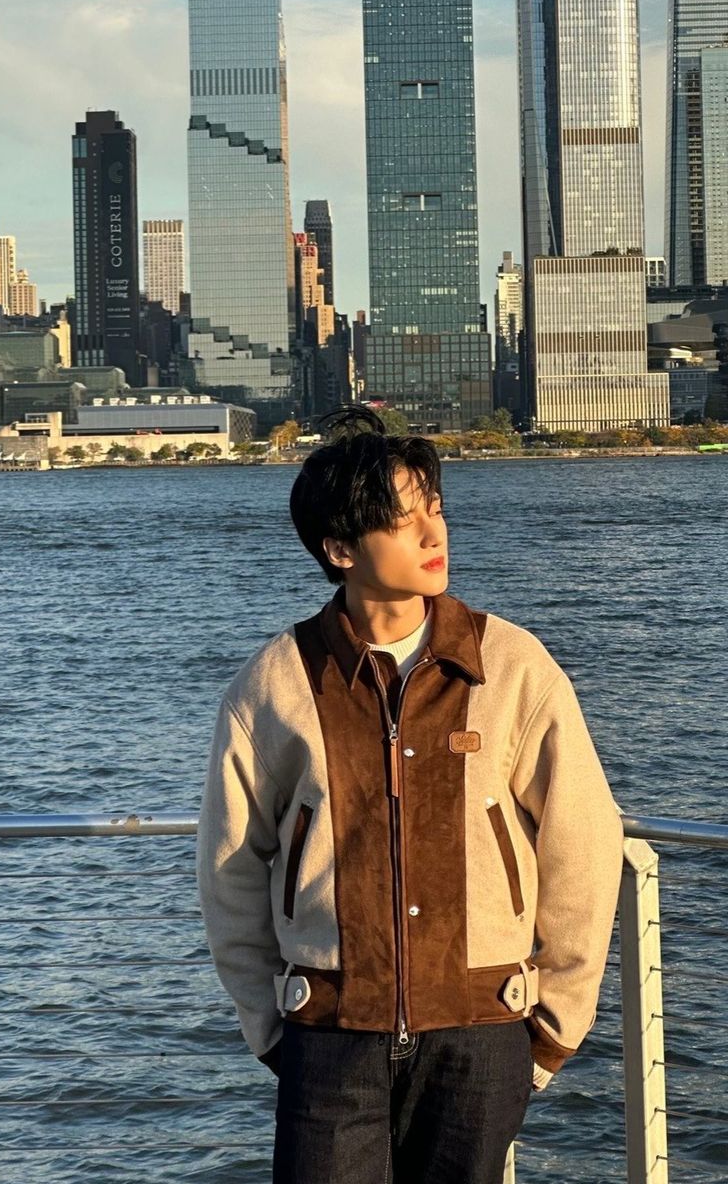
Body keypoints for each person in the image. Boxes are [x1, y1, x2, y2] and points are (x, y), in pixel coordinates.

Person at [197, 407, 623, 1183]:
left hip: (481, 1031)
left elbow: (583, 842)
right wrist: (270, 1026)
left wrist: (555, 1025)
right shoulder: (277, 683)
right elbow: (230, 865)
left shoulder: (511, 665)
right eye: (403, 519)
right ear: (339, 549)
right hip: (328, 1033)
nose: (435, 535)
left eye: (436, 509)